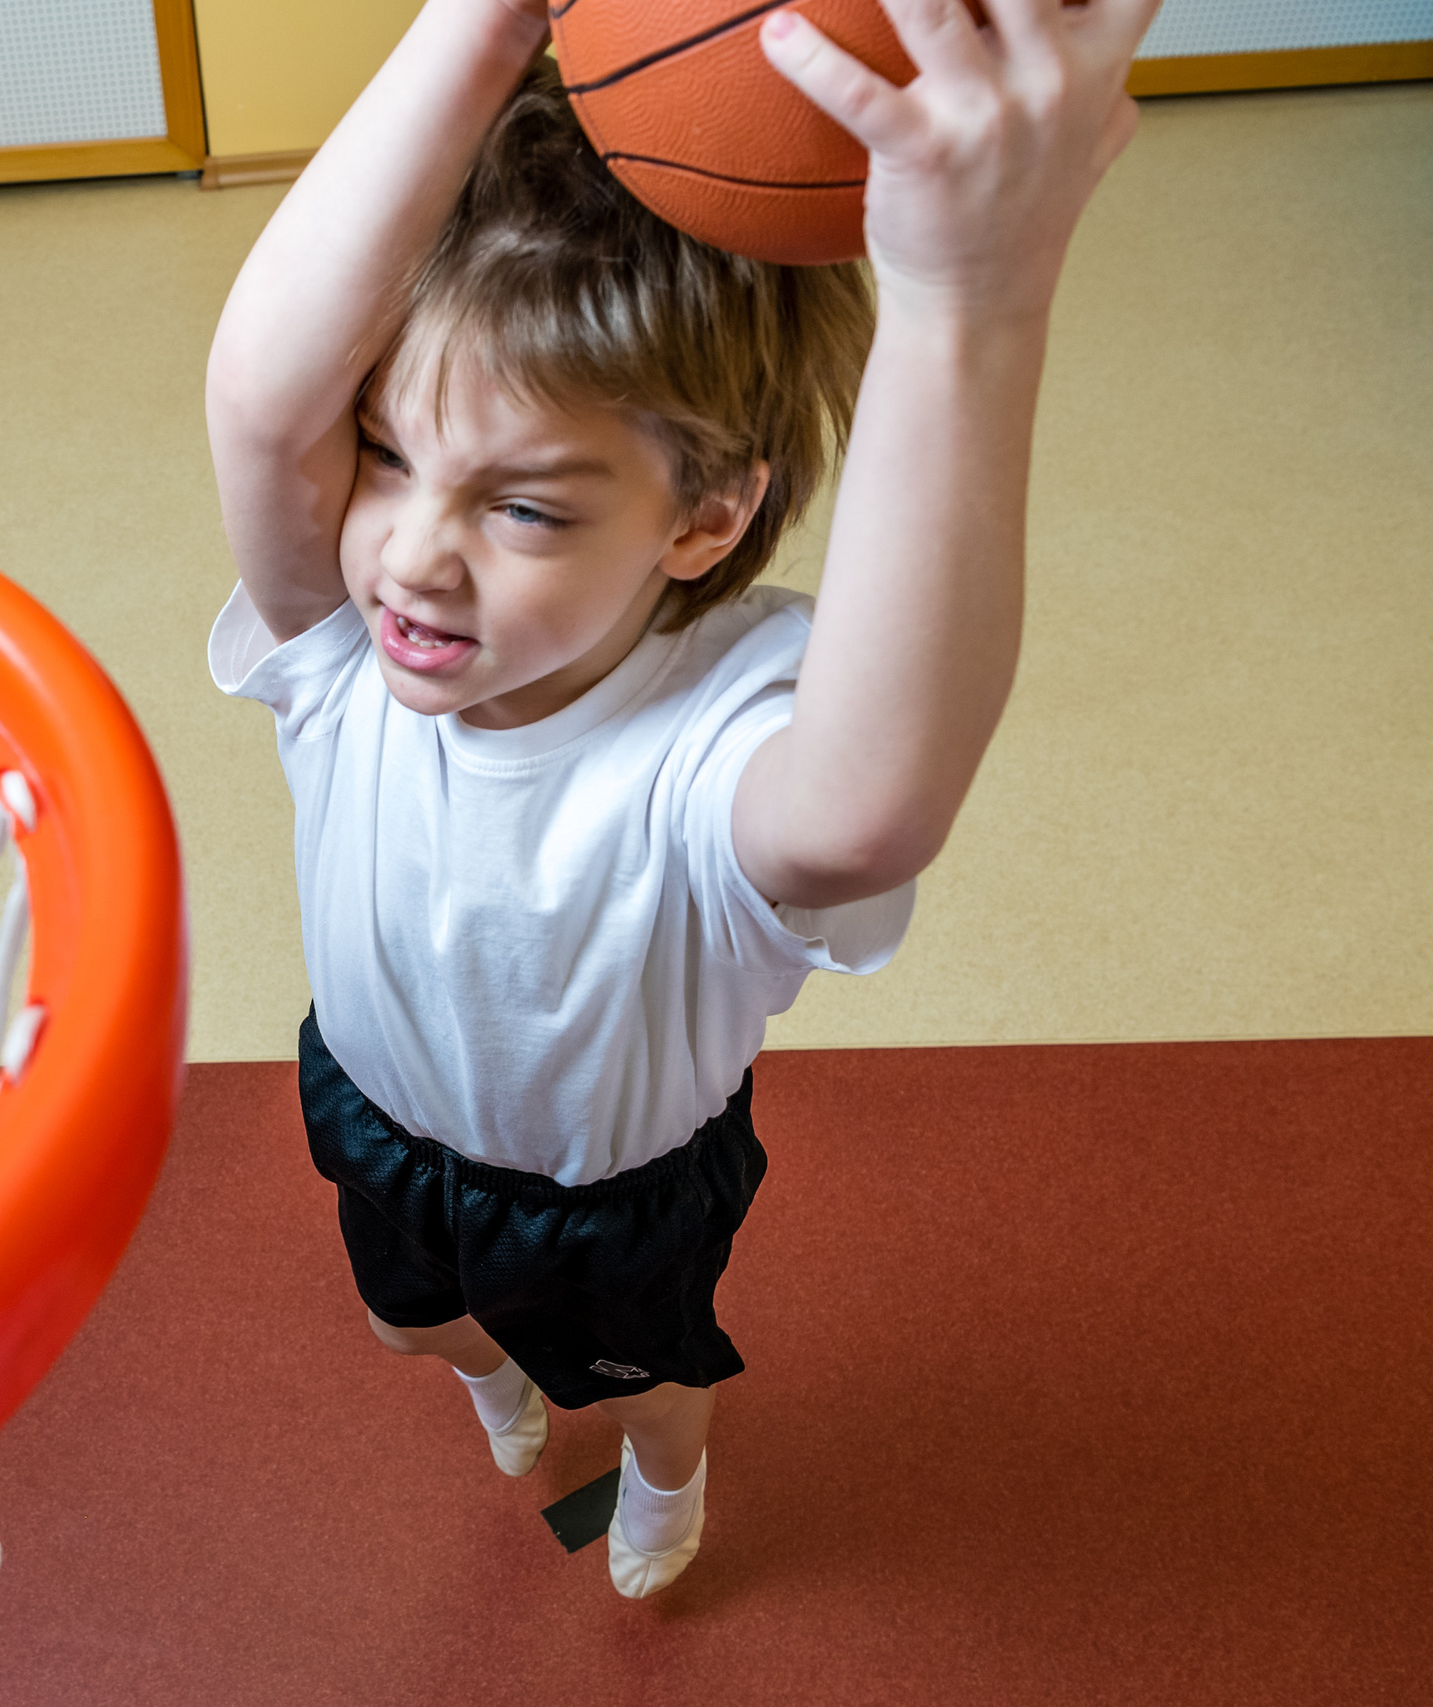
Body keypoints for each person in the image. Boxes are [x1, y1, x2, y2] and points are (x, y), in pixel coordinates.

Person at [203, 0, 1158, 1598]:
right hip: (379, 1115)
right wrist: (481, 26)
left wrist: (968, 300)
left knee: (643, 1380)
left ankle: (665, 1472)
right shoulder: (345, 654)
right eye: (385, 453)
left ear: (705, 519)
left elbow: (869, 811)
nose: (413, 555)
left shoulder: (710, 743)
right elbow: (258, 407)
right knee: (409, 1321)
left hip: (609, 1198)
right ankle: (492, 1377)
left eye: (523, 508)